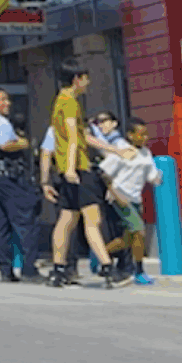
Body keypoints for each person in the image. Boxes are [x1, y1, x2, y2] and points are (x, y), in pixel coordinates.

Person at [43, 56, 125, 287]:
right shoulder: (69, 103)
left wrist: (113, 150)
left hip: (70, 168)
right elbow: (71, 138)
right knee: (92, 219)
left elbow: (82, 136)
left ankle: (58, 270)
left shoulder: (60, 100)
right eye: (86, 79)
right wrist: (70, 169)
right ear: (77, 79)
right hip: (78, 169)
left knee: (66, 219)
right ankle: (108, 269)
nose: (88, 83)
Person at [0, 88, 39, 283]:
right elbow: (5, 144)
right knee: (24, 220)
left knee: (0, 224)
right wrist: (24, 143)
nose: (8, 103)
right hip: (8, 177)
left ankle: (5, 269)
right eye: (2, 100)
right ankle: (29, 269)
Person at [93, 114, 159, 285]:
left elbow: (151, 175)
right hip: (120, 197)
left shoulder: (146, 153)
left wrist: (158, 177)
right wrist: (115, 194)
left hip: (135, 199)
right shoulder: (121, 149)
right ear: (130, 135)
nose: (144, 138)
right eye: (140, 134)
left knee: (127, 240)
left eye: (146, 134)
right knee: (139, 231)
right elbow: (103, 173)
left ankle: (100, 254)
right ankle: (139, 270)